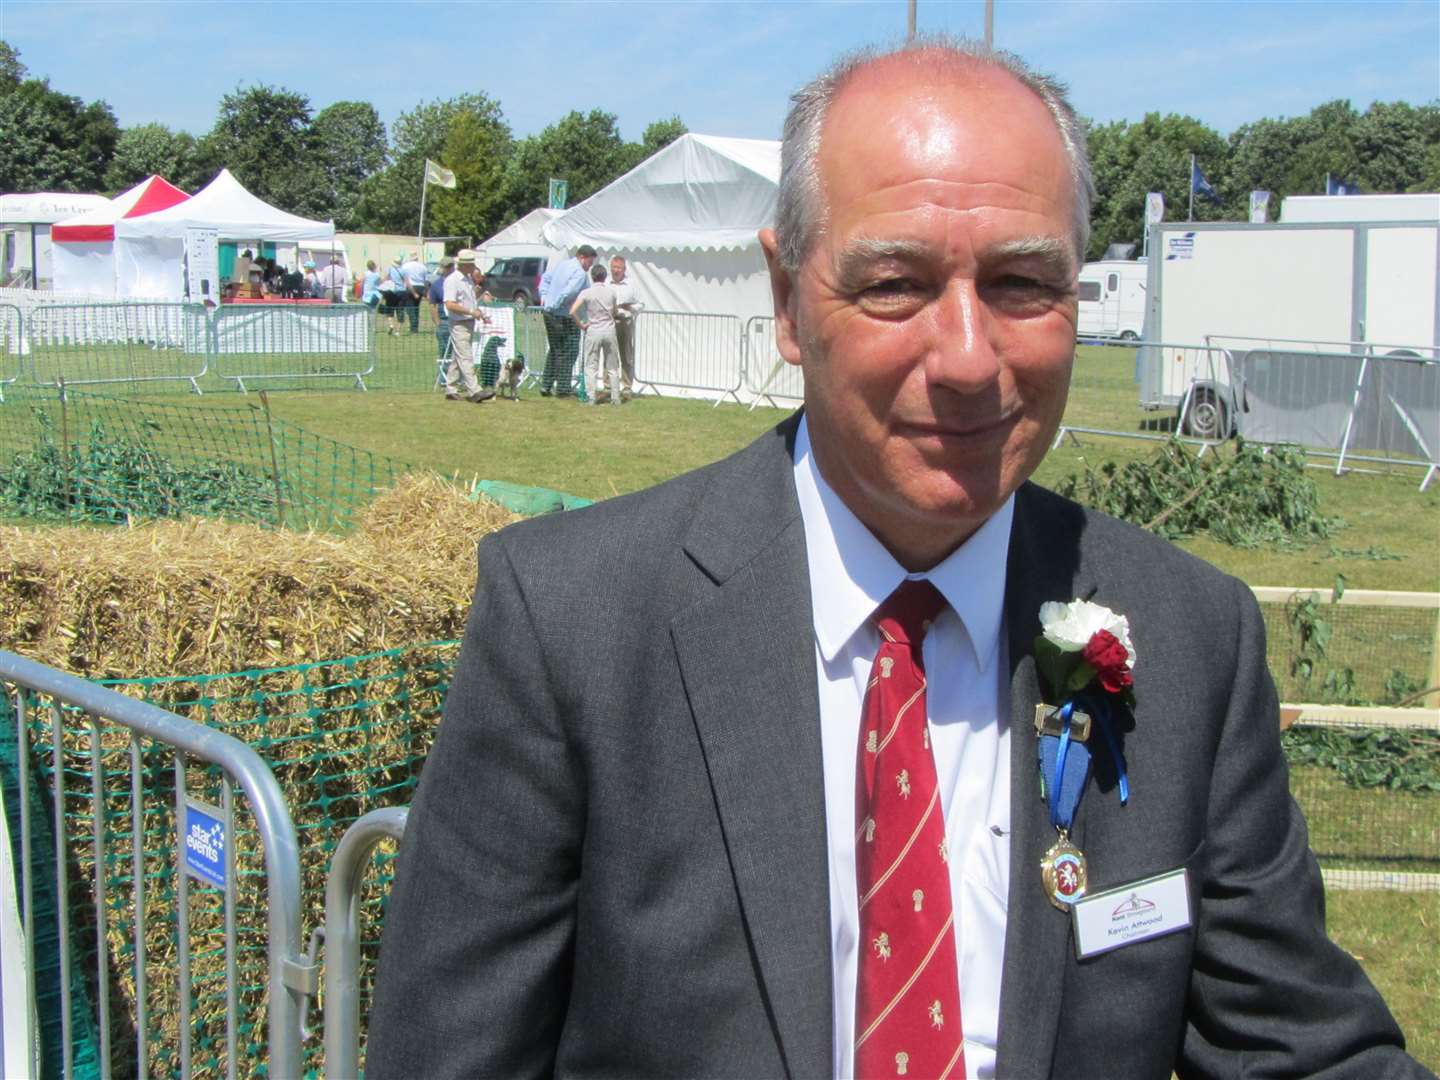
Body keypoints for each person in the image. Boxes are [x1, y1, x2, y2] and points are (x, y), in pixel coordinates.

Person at [367, 38, 1427, 1080]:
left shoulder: (1191, 637)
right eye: (895, 284)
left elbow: (1301, 1048)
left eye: (1022, 283)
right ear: (786, 300)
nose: (969, 359)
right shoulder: (573, 624)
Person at [537, 244, 596, 397]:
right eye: (589, 262)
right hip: (564, 316)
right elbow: (569, 292)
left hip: (550, 313)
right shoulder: (580, 273)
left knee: (555, 349)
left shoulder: (562, 265)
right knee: (569, 351)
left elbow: (546, 278)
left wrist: (544, 296)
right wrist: (555, 304)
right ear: (582, 257)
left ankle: (546, 385)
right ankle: (563, 388)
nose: (590, 266)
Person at [439, 249, 495, 404]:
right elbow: (449, 304)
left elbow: (469, 301)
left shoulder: (468, 280)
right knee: (466, 356)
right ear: (465, 265)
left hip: (468, 321)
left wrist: (479, 314)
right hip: (458, 323)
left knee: (458, 357)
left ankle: (450, 388)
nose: (474, 266)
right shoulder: (452, 280)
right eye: (472, 263)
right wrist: (471, 311)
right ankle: (474, 390)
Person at [570, 262, 621, 407]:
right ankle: (615, 397)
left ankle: (591, 397)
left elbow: (572, 311)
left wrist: (581, 324)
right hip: (609, 330)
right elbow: (615, 312)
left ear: (592, 277)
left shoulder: (586, 293)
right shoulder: (611, 292)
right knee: (612, 366)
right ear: (605, 277)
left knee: (591, 366)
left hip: (593, 330)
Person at [608, 255, 640, 400]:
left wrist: (631, 307)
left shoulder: (631, 284)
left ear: (624, 269)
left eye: (618, 268)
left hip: (626, 321)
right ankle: (608, 386)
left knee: (626, 355)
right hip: (610, 322)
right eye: (613, 267)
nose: (616, 270)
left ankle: (627, 386)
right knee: (609, 355)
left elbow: (641, 304)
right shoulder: (606, 283)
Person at [428, 254, 455, 360]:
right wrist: (437, 322)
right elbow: (432, 304)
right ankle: (443, 375)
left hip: (458, 320)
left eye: (450, 266)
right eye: (445, 266)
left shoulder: (458, 281)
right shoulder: (436, 284)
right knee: (444, 353)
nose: (448, 269)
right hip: (444, 321)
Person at [402, 250, 428, 333]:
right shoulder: (423, 267)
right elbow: (426, 280)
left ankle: (413, 328)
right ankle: (415, 327)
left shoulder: (405, 266)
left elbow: (404, 278)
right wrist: (426, 291)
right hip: (420, 287)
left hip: (411, 287)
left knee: (410, 308)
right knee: (416, 307)